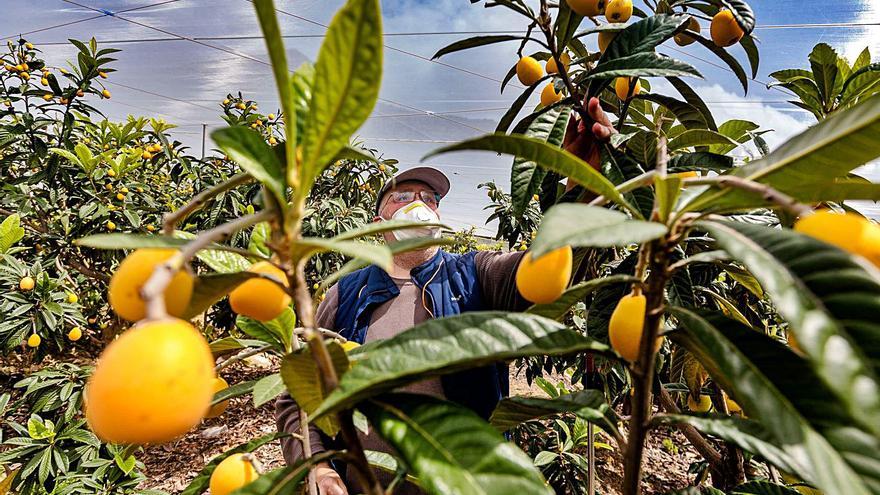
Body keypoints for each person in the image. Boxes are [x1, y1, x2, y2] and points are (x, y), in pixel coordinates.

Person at [275, 97, 616, 495]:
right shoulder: (345, 294)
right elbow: (297, 398)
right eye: (403, 197)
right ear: (376, 223)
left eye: (430, 199)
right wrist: (318, 467)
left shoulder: (476, 276)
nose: (420, 205)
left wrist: (583, 186)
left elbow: (547, 267)